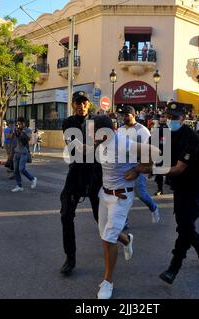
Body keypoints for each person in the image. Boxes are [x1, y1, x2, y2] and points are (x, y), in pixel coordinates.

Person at [93, 115, 156, 299]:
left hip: (121, 197)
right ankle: (127, 240)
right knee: (104, 234)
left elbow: (152, 152)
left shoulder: (124, 144)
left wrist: (137, 170)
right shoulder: (101, 144)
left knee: (108, 239)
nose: (95, 138)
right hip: (104, 195)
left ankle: (107, 282)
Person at [157, 102, 199, 285]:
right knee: (183, 224)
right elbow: (154, 154)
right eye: (168, 117)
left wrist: (154, 170)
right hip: (180, 187)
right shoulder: (165, 135)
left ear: (184, 118)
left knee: (185, 225)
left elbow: (178, 169)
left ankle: (174, 267)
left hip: (196, 187)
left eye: (175, 117)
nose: (170, 120)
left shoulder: (191, 138)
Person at [59, 91, 103, 276]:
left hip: (96, 174)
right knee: (66, 216)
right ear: (72, 104)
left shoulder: (98, 121)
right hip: (76, 173)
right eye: (78, 102)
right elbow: (76, 148)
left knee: (101, 219)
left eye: (84, 102)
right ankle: (70, 257)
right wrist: (94, 144)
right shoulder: (69, 122)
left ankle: (123, 239)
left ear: (88, 105)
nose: (81, 105)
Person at [117, 105, 160, 224]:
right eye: (122, 115)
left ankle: (154, 207)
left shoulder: (142, 130)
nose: (124, 117)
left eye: (127, 115)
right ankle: (124, 221)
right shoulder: (120, 130)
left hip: (138, 166)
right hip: (123, 166)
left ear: (134, 115)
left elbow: (150, 149)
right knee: (121, 194)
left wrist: (149, 166)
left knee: (141, 194)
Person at [11, 117, 37, 192]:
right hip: (16, 152)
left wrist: (22, 132)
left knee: (21, 169)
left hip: (24, 152)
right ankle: (19, 186)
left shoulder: (28, 130)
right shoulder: (17, 129)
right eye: (18, 124)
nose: (19, 125)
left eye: (20, 124)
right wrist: (15, 132)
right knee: (15, 170)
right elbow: (12, 138)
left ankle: (33, 178)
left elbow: (28, 139)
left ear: (24, 123)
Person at [154, 115, 168, 196]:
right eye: (161, 122)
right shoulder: (157, 128)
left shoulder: (169, 129)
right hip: (159, 152)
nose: (162, 123)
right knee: (159, 170)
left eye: (163, 122)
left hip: (168, 152)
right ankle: (160, 188)